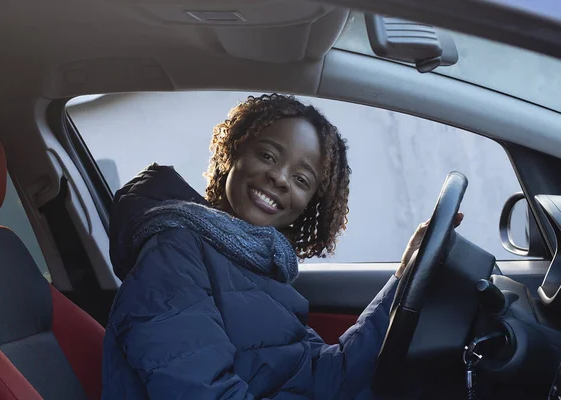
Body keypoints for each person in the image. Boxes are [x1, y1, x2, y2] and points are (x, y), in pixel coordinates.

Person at [101, 93, 462, 399]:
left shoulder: (258, 267)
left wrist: (403, 276)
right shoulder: (174, 254)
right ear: (233, 154)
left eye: (301, 179)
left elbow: (326, 377)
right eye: (268, 156)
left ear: (308, 205)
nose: (279, 178)